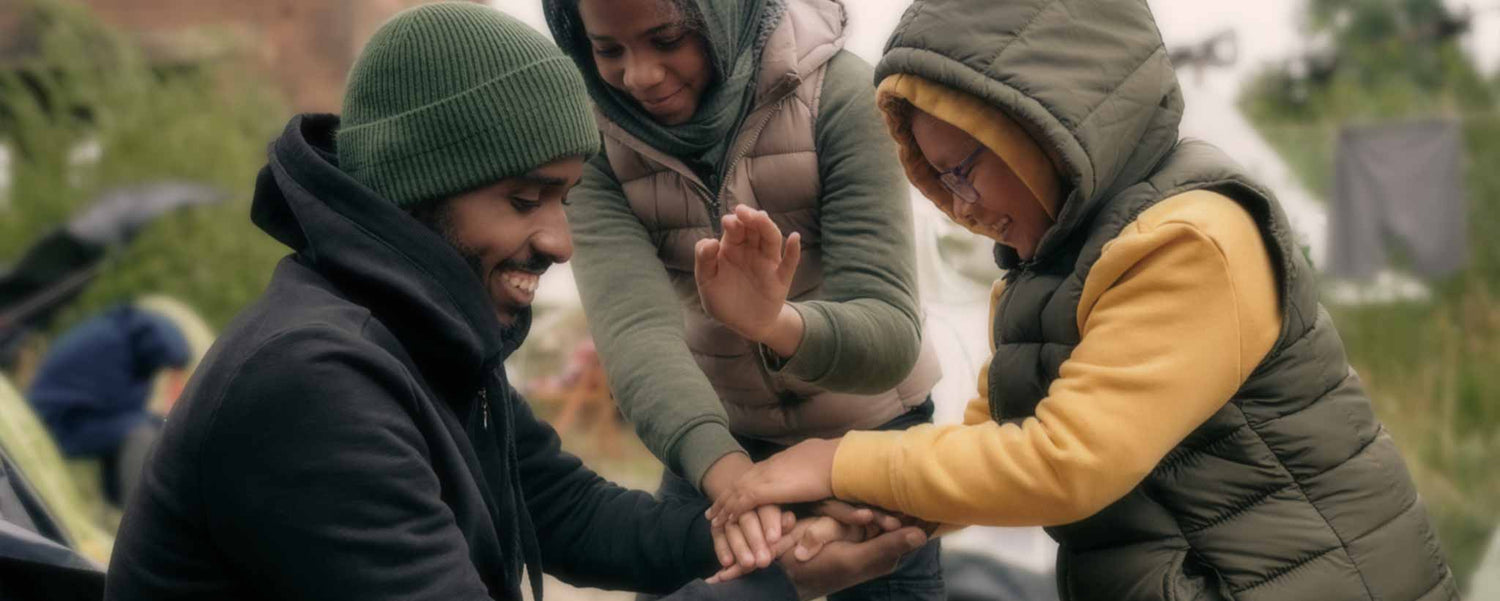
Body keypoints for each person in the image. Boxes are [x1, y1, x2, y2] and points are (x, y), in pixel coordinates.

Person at [103, 4, 927, 600]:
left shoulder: (419, 335)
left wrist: (780, 530)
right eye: (525, 200)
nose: (561, 242)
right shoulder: (315, 383)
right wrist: (773, 585)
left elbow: (570, 511)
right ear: (420, 191)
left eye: (563, 199)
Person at [706, 0, 1460, 599]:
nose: (960, 205)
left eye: (966, 168)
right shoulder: (1051, 270)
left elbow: (1063, 461)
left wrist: (835, 460)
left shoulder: (1191, 241)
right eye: (938, 179)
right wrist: (867, 523)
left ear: (1046, 125)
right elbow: (993, 444)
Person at [542, 0, 944, 596]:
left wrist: (772, 323)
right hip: (719, 444)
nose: (640, 75)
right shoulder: (592, 141)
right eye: (608, 50)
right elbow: (635, 334)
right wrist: (735, 482)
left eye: (667, 40)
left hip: (871, 439)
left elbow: (888, 333)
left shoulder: (840, 96)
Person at [27, 303, 189, 506]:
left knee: (151, 427)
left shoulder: (123, 339)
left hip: (78, 417)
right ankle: (137, 509)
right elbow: (118, 407)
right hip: (56, 424)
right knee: (140, 434)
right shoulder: (109, 346)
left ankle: (123, 503)